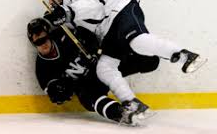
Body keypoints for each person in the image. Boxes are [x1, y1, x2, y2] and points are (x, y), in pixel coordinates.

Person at [42, 0, 207, 118]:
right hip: (108, 31)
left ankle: (185, 56)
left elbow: (93, 9)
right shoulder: (68, 7)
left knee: (137, 41)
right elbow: (78, 25)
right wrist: (55, 19)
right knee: (105, 68)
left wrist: (66, 13)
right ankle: (132, 104)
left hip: (120, 9)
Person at [27, 17, 155, 126]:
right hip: (88, 86)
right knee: (87, 100)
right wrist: (59, 91)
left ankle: (144, 56)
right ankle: (121, 113)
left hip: (102, 67)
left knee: (150, 61)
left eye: (44, 39)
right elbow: (53, 92)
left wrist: (93, 45)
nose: (42, 45)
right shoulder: (42, 68)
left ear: (49, 36)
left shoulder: (65, 35)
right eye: (37, 42)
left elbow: (89, 34)